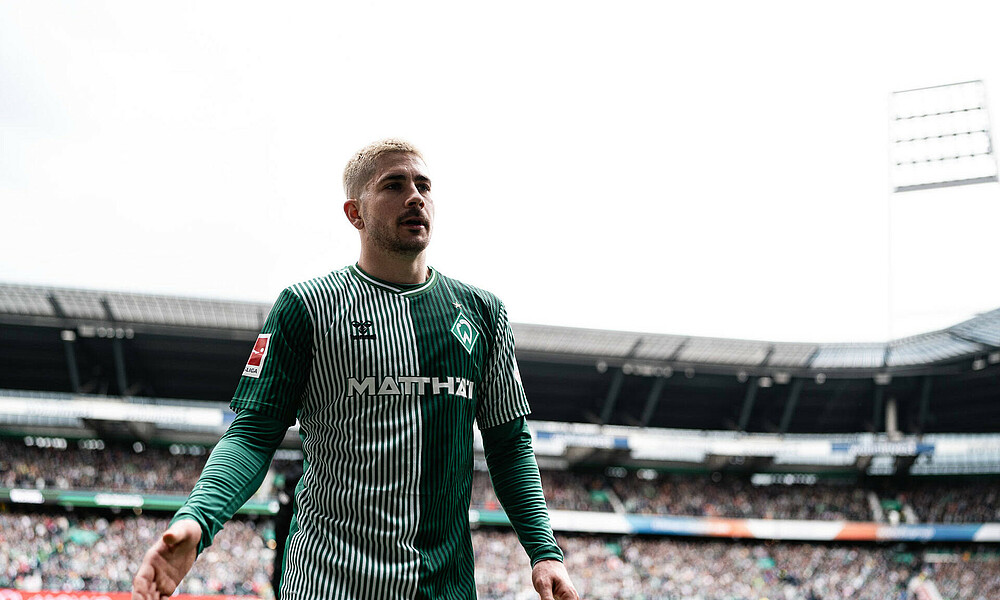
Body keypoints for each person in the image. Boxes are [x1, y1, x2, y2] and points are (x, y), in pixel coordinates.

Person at [131, 139, 579, 600]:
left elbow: (509, 445)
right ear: (354, 213)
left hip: (443, 587)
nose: (415, 196)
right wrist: (196, 520)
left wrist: (544, 551)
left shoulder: (483, 313)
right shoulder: (306, 306)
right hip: (329, 583)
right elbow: (252, 435)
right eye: (394, 184)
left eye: (423, 185)